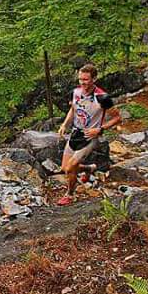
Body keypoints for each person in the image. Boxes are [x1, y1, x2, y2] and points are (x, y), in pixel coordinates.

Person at [58, 64, 121, 206]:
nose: (82, 83)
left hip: (89, 137)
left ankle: (70, 195)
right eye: (80, 79)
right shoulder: (75, 92)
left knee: (70, 168)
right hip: (76, 133)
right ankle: (89, 168)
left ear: (94, 79)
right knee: (64, 168)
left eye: (86, 79)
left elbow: (117, 118)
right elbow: (73, 109)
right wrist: (64, 125)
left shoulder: (103, 97)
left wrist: (100, 129)